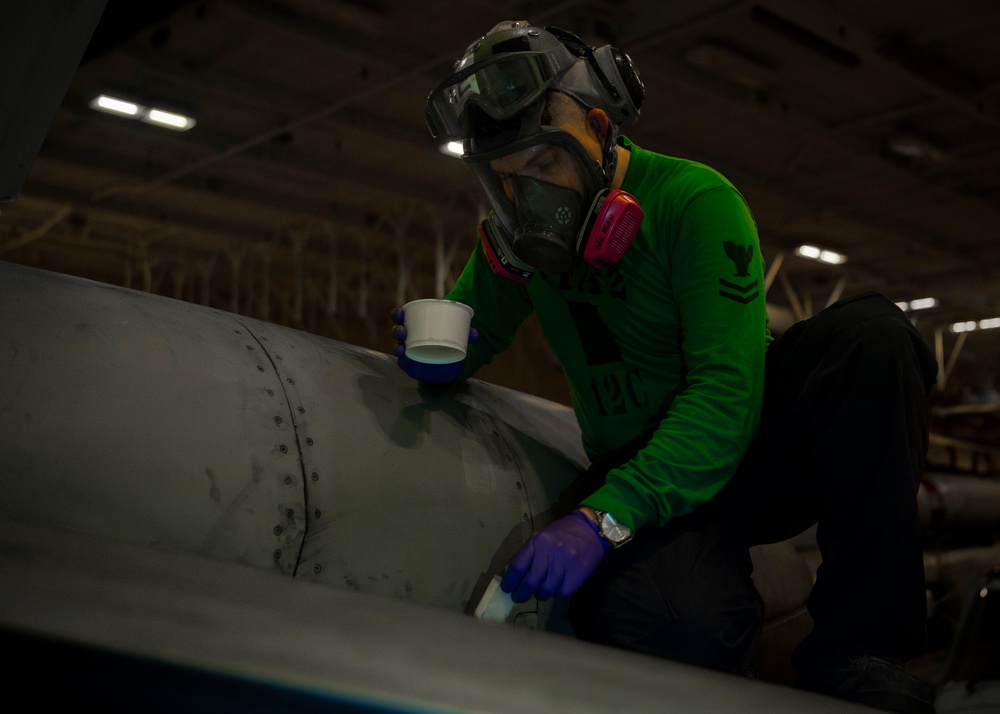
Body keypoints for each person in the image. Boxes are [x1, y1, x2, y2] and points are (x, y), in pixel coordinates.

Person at [391, 20, 939, 714]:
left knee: (873, 338)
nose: (530, 201)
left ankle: (859, 650)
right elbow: (475, 328)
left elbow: (725, 394)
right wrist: (431, 351)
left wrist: (601, 520)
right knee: (679, 629)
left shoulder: (692, 202)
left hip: (744, 439)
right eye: (503, 181)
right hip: (637, 457)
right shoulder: (517, 240)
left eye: (541, 166)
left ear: (598, 127)